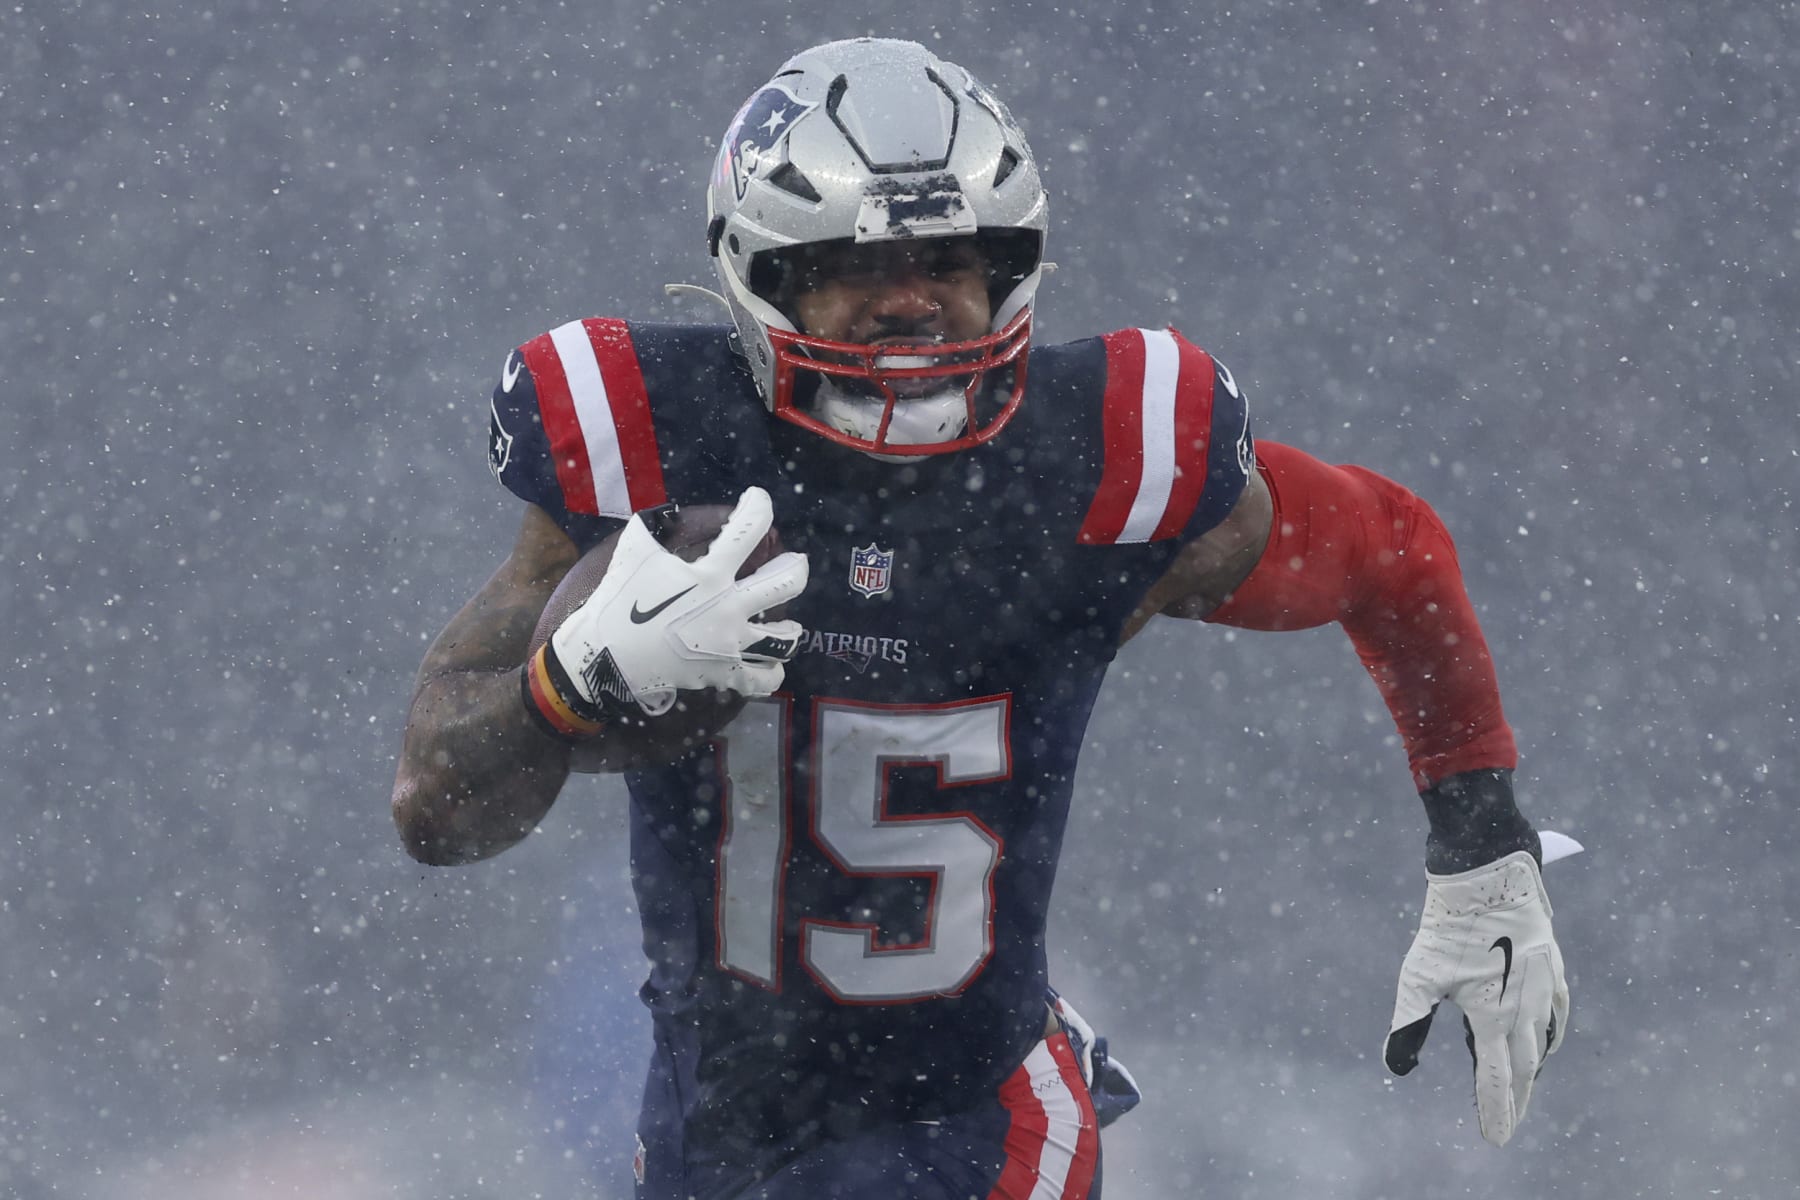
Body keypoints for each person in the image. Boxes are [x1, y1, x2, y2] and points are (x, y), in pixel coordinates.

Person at [391, 37, 1569, 1200]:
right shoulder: (650, 451)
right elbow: (434, 813)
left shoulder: (1092, 458)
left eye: (953, 258)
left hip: (970, 1125)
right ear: (765, 272)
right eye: (861, 264)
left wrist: (1482, 845)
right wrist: (560, 693)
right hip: (717, 1125)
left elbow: (1392, 551)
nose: (913, 302)